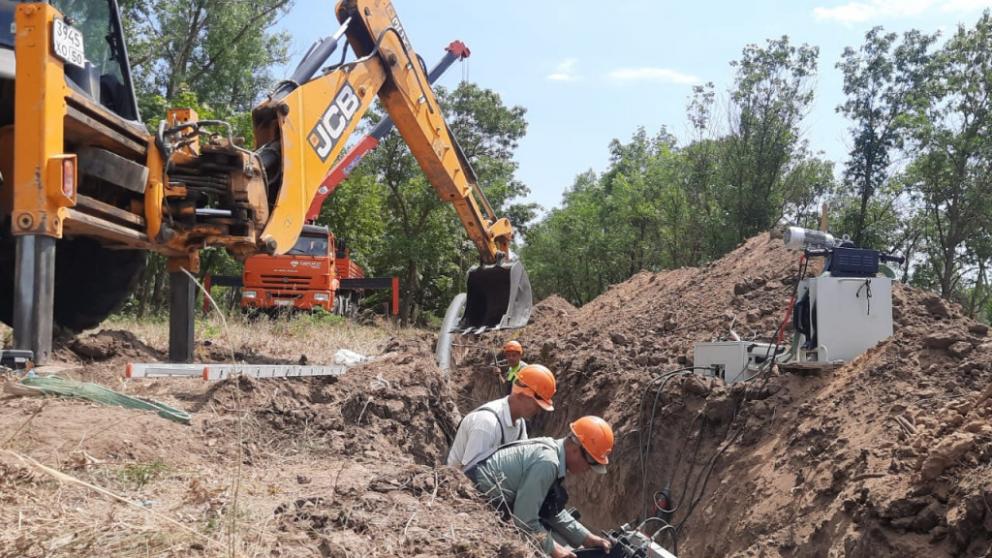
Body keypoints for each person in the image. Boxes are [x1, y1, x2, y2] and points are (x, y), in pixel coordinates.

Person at [467, 416, 615, 558]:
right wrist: (554, 549)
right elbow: (525, 520)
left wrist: (587, 538)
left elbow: (552, 510)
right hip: (478, 497)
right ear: (576, 449)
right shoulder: (547, 463)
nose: (588, 469)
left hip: (488, 497)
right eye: (590, 463)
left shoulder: (553, 455)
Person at [448, 364, 556, 471]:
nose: (538, 410)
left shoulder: (520, 424)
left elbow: (520, 461)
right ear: (522, 395)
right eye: (537, 405)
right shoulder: (487, 424)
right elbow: (470, 473)